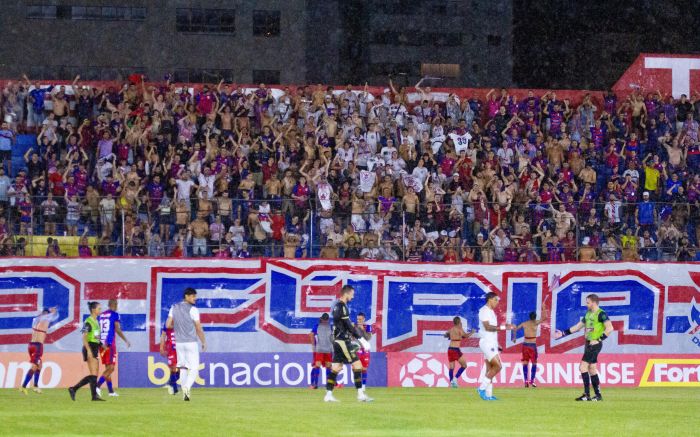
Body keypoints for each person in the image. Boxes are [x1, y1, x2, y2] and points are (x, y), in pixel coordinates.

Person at [555, 294, 614, 401]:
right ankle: (598, 395)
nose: (586, 304)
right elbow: (578, 326)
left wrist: (598, 339)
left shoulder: (601, 314)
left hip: (594, 344)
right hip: (588, 344)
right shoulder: (588, 314)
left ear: (594, 303)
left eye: (588, 302)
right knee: (592, 369)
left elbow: (610, 328)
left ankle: (587, 395)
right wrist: (563, 333)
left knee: (582, 367)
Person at [323, 285, 373, 403]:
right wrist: (361, 339)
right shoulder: (343, 306)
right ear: (347, 294)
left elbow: (342, 324)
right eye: (352, 294)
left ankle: (328, 395)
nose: (353, 296)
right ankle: (360, 395)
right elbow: (348, 325)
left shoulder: (336, 306)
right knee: (358, 365)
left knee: (337, 367)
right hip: (342, 340)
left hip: (337, 340)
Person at [166, 287, 206, 401]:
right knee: (194, 368)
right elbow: (198, 327)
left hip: (179, 343)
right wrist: (203, 341)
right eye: (193, 296)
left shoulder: (174, 308)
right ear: (187, 296)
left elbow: (168, 325)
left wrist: (178, 327)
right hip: (191, 342)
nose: (195, 298)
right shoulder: (193, 310)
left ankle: (184, 392)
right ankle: (187, 388)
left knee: (183, 367)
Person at [477, 292, 515, 401]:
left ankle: (488, 395)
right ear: (490, 299)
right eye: (496, 300)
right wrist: (504, 328)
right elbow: (488, 327)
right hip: (486, 342)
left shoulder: (491, 312)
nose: (497, 302)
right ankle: (481, 389)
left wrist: (497, 343)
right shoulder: (484, 311)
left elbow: (492, 330)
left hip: (491, 342)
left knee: (490, 369)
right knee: (498, 366)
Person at [68, 301, 104, 401]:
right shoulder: (88, 321)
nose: (100, 310)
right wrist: (88, 350)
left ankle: (93, 396)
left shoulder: (96, 321)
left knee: (94, 375)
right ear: (93, 310)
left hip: (95, 347)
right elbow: (84, 337)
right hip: (90, 348)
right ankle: (73, 389)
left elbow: (96, 337)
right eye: (99, 308)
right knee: (93, 374)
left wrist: (102, 346)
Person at [95, 299, 131, 397]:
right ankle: (97, 386)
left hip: (102, 345)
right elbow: (117, 329)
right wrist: (126, 340)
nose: (117, 306)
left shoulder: (101, 316)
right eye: (116, 304)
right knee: (111, 368)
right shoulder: (115, 314)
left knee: (107, 368)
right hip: (109, 344)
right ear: (113, 304)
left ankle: (110, 391)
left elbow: (97, 330)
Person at [19, 307, 58, 394]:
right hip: (38, 346)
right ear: (46, 314)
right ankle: (23, 386)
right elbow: (54, 317)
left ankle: (35, 386)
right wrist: (53, 311)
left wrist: (47, 311)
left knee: (39, 365)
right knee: (34, 366)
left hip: (30, 345)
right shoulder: (46, 320)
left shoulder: (35, 320)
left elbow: (41, 316)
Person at [514, 305, 548, 388]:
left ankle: (526, 381)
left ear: (529, 317)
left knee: (525, 362)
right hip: (532, 345)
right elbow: (545, 317)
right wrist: (543, 308)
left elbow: (515, 329)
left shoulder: (524, 323)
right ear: (535, 317)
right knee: (534, 363)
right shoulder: (536, 323)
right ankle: (532, 381)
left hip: (525, 345)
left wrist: (514, 338)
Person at [444, 316, 475, 388]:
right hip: (455, 349)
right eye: (460, 321)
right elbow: (466, 336)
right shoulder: (459, 329)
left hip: (450, 349)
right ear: (459, 322)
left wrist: (449, 336)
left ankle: (451, 383)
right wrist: (472, 332)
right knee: (464, 365)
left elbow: (446, 335)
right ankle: (455, 379)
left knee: (451, 367)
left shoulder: (451, 329)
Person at [308, 313, 333, 390]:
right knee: (317, 365)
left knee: (328, 366)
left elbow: (332, 337)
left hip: (328, 349)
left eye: (326, 319)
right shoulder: (318, 326)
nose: (325, 321)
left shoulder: (330, 327)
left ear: (328, 320)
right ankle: (314, 384)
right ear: (321, 319)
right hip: (320, 349)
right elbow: (311, 334)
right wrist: (313, 345)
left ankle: (327, 384)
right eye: (324, 319)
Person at [160, 323, 179, 395]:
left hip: (181, 348)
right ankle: (174, 389)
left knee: (182, 369)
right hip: (171, 349)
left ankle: (171, 383)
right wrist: (161, 347)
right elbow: (163, 335)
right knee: (173, 368)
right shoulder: (167, 323)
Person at [355, 312, 372, 390]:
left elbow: (368, 338)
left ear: (364, 319)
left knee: (364, 368)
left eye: (360, 319)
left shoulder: (368, 326)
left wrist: (363, 330)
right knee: (357, 368)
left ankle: (363, 386)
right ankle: (358, 386)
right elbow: (351, 337)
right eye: (358, 319)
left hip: (365, 350)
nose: (359, 320)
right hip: (357, 349)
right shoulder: (354, 326)